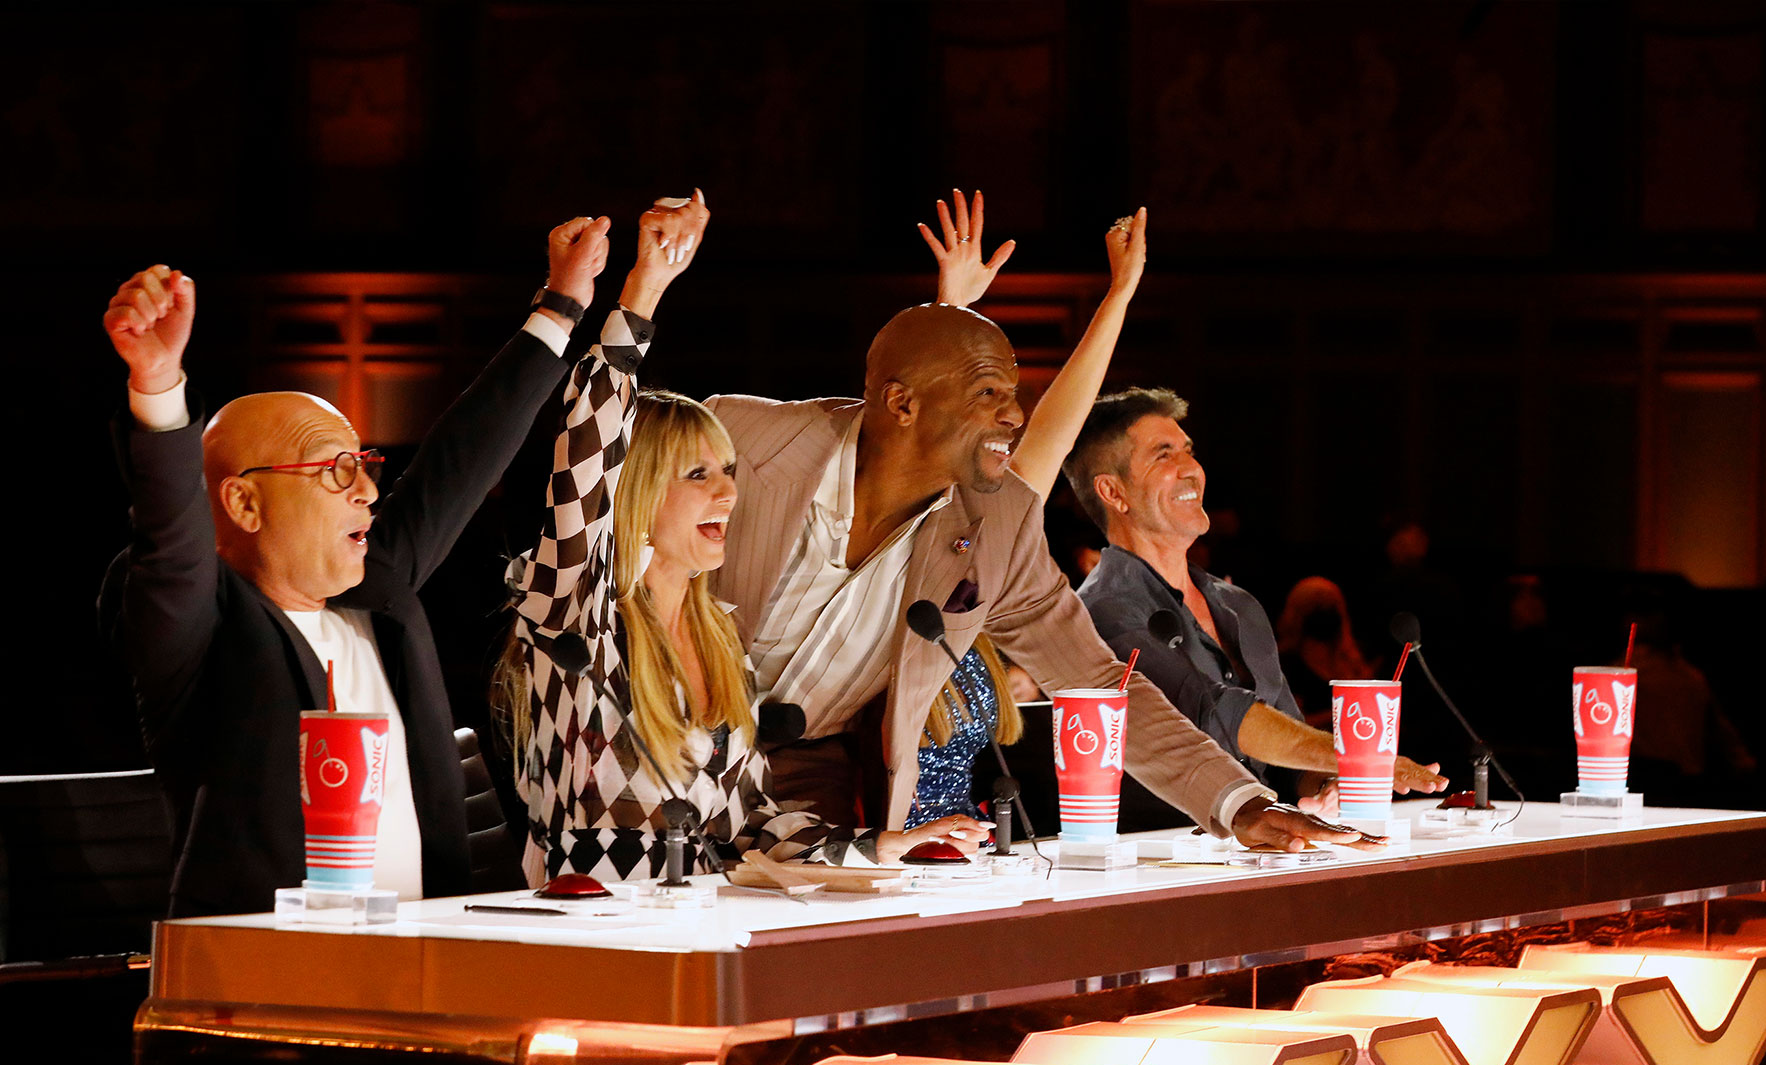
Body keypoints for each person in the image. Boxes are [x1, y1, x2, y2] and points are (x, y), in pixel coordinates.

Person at [703, 265, 1363, 854]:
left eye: (1013, 393)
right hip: (654, 751)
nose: (1015, 414)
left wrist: (1238, 803)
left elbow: (1097, 679)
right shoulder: (739, 438)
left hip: (802, 781)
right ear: (902, 404)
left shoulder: (998, 523)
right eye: (989, 393)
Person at [100, 218, 610, 915]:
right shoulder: (195, 628)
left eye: (363, 466)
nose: (367, 491)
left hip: (437, 957)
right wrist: (159, 387)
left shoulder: (376, 588)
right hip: (271, 975)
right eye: (335, 470)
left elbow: (456, 465)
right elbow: (171, 541)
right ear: (245, 503)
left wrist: (561, 304)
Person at [498, 194, 989, 883]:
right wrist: (646, 284)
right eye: (698, 474)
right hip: (593, 936)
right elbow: (588, 442)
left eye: (729, 471)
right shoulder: (576, 606)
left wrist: (878, 844)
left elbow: (751, 823)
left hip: (701, 932)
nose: (729, 492)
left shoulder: (721, 637)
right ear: (633, 493)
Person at [1065, 388, 1445, 827]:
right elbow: (1212, 711)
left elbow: (1289, 747)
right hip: (1155, 857)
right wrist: (1358, 756)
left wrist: (1321, 786)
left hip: (1263, 850)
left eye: (1189, 451)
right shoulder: (1103, 612)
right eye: (1163, 455)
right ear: (1113, 491)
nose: (1191, 469)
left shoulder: (1238, 604)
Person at [907, 193, 1146, 828]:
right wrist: (949, 310)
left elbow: (1057, 430)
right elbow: (899, 427)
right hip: (871, 863)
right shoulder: (890, 542)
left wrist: (1117, 297)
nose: (1009, 428)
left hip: (967, 854)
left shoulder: (988, 545)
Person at [1276, 575, 1375, 728]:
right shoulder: (1285, 667)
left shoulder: (1354, 660)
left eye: (1330, 604)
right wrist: (1342, 712)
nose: (1324, 611)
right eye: (1317, 605)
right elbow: (1288, 724)